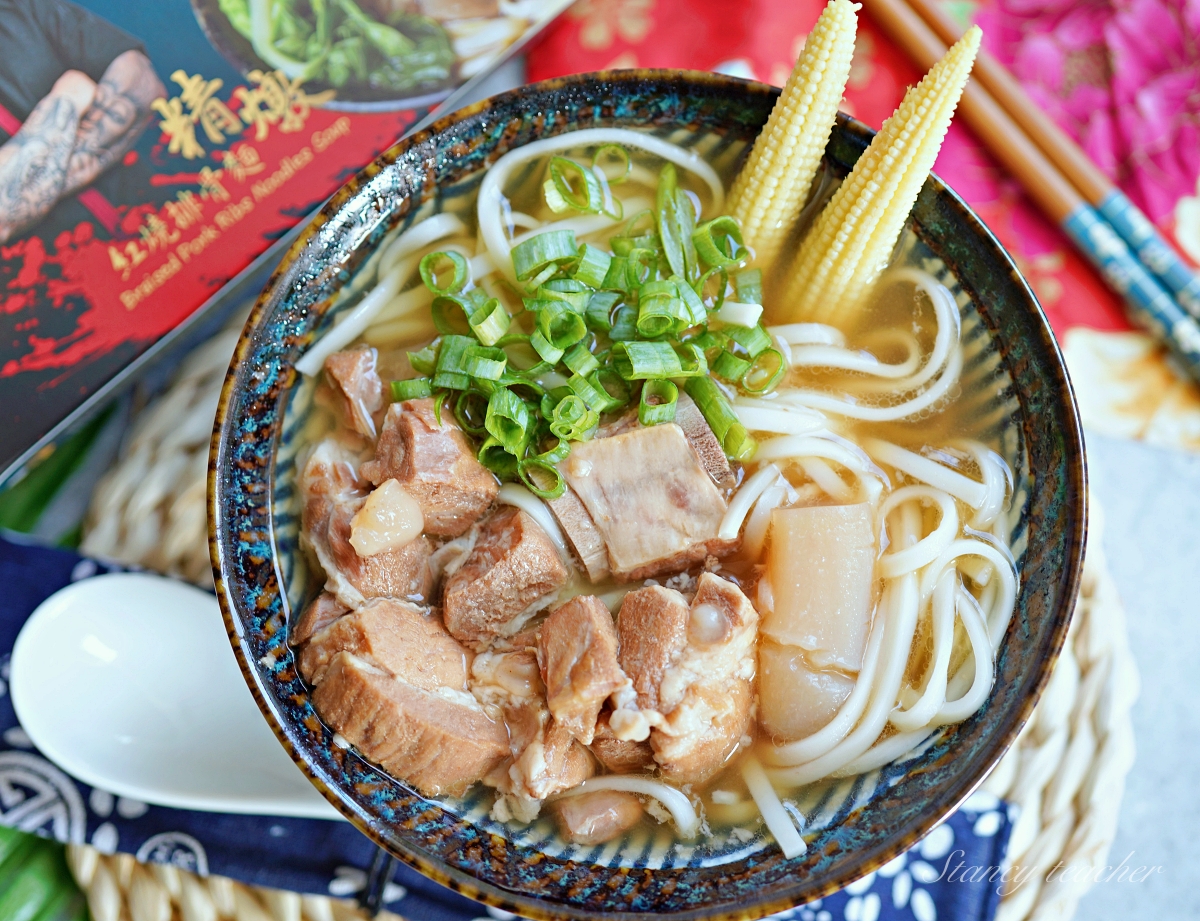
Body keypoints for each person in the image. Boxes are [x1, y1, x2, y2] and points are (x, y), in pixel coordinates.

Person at [0, 0, 165, 243]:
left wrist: (27, 184)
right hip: (61, 273)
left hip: (164, 230)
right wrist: (70, 96)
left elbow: (142, 81)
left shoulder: (17, 6)